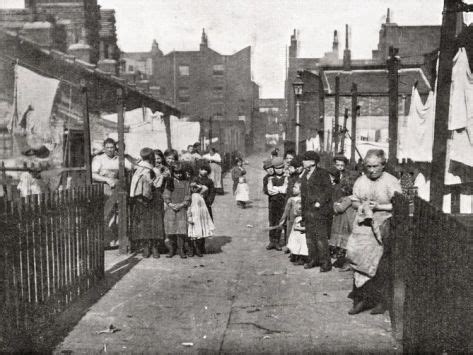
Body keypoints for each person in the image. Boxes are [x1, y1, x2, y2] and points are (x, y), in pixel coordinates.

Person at [346, 149, 401, 315]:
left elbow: (398, 205)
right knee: (359, 260)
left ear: (383, 165)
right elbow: (354, 202)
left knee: (380, 264)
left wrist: (378, 207)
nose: (371, 170)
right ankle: (362, 300)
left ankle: (381, 302)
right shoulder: (361, 181)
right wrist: (363, 206)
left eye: (375, 166)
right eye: (368, 166)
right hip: (364, 226)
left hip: (384, 224)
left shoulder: (391, 181)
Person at [92, 137, 133, 247]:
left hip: (117, 188)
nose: (110, 149)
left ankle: (117, 239)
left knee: (117, 215)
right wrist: (106, 179)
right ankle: (107, 240)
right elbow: (93, 174)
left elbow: (130, 167)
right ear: (104, 148)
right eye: (107, 147)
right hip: (103, 188)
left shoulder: (119, 158)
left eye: (112, 147)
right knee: (106, 213)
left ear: (115, 148)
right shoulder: (99, 159)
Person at [300, 150, 333, 271]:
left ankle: (325, 263)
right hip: (308, 211)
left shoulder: (322, 174)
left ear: (313, 162)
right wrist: (303, 213)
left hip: (320, 211)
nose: (303, 162)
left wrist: (320, 202)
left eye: (305, 159)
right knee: (309, 238)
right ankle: (313, 260)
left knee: (320, 238)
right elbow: (303, 195)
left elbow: (328, 191)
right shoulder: (305, 174)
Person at [129, 148, 165, 258]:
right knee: (144, 223)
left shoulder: (155, 170)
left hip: (154, 199)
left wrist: (153, 181)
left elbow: (158, 184)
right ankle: (146, 247)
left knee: (154, 223)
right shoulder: (139, 169)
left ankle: (154, 247)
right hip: (141, 199)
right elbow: (134, 184)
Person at [163, 162, 191, 258]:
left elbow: (188, 195)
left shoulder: (186, 182)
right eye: (176, 173)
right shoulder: (169, 182)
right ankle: (171, 250)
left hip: (181, 209)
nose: (178, 175)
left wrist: (182, 204)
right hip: (171, 209)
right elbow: (166, 195)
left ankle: (181, 249)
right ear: (173, 172)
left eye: (180, 173)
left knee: (181, 231)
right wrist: (170, 204)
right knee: (171, 230)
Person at [278, 181, 307, 265]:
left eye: (295, 187)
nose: (293, 189)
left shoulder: (305, 200)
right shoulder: (291, 199)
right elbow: (286, 211)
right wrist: (282, 220)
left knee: (300, 238)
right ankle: (293, 253)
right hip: (291, 221)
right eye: (293, 187)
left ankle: (300, 255)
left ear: (301, 190)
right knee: (291, 236)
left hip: (301, 222)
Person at [187, 182, 215, 257]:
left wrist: (197, 185)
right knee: (192, 233)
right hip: (193, 215)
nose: (194, 189)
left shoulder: (200, 194)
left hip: (200, 216)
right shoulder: (190, 196)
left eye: (195, 187)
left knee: (199, 232)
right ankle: (192, 249)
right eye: (192, 188)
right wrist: (189, 216)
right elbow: (189, 207)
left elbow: (205, 188)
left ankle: (198, 249)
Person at [266, 157, 287, 251]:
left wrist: (276, 189)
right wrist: (280, 189)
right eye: (277, 168)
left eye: (281, 168)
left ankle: (277, 241)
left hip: (282, 204)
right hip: (272, 204)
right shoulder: (271, 178)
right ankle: (271, 241)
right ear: (274, 168)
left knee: (279, 222)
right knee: (272, 221)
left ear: (283, 167)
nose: (279, 170)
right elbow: (270, 191)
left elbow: (285, 190)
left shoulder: (286, 178)